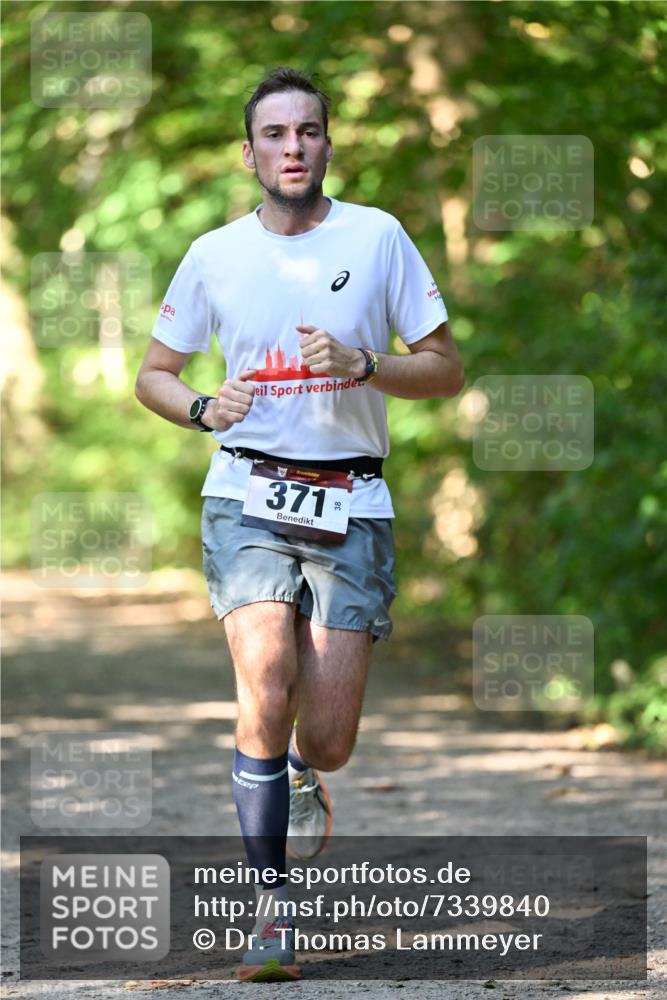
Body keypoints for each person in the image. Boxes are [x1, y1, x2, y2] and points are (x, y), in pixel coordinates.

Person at [135, 66, 464, 983]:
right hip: (244, 495)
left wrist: (366, 364)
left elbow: (444, 369)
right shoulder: (212, 255)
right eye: (274, 135)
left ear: (327, 144)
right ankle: (270, 909)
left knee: (326, 739)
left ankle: (297, 774)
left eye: (307, 132)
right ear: (248, 153)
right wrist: (203, 408)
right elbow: (152, 374)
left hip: (351, 498)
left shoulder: (380, 236)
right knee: (264, 675)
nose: (292, 148)